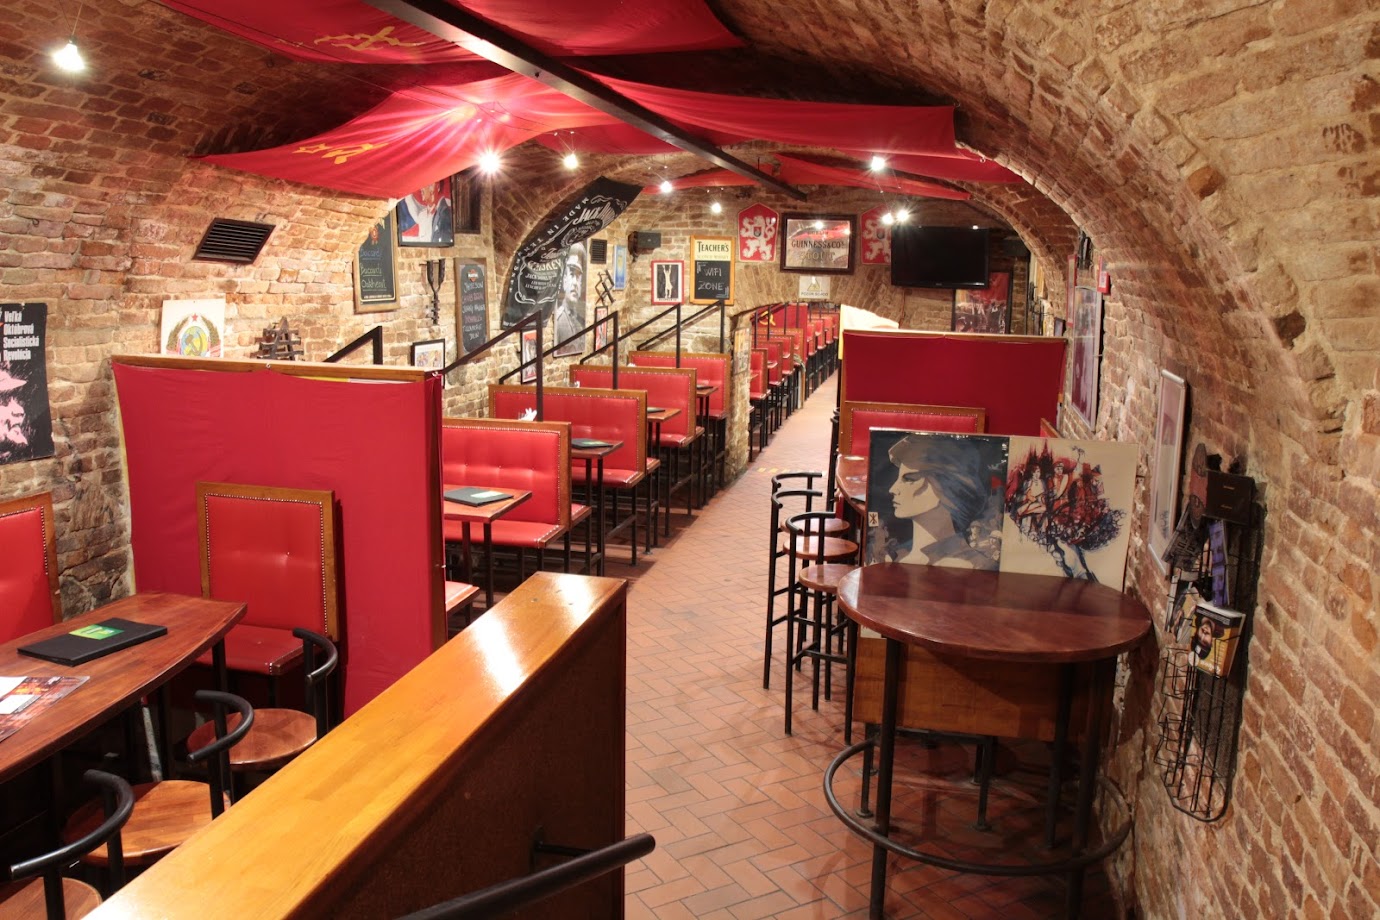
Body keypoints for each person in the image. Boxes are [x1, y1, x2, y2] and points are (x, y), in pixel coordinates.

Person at [886, 434, 1002, 569]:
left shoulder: (977, 566)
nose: (892, 489)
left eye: (909, 479)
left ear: (946, 485)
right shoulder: (893, 558)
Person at [552, 242, 587, 351]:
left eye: (578, 276)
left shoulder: (580, 321)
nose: (575, 283)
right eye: (572, 274)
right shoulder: (559, 320)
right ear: (564, 279)